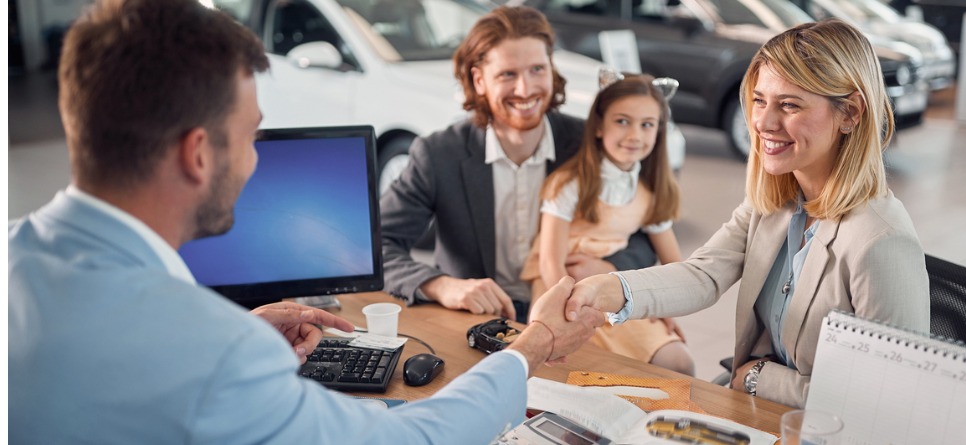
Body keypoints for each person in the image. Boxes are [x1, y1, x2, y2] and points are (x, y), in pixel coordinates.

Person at [8, 1, 604, 443]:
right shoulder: (213, 350)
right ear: (197, 155)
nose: (256, 161)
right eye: (250, 137)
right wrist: (531, 349)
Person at [563, 19, 931, 408]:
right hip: (761, 413)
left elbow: (890, 397)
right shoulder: (776, 203)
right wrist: (606, 289)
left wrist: (760, 379)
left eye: (789, 104)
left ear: (851, 113)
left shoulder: (882, 242)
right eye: (759, 100)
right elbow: (703, 275)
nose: (763, 123)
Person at [380, 6, 656, 323]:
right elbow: (379, 246)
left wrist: (612, 267)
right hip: (477, 321)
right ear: (479, 80)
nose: (525, 89)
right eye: (508, 74)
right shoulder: (438, 154)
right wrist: (441, 285)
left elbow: (645, 231)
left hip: (574, 315)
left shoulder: (589, 144)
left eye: (537, 69)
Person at [520, 74, 694, 375]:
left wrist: (661, 306)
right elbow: (551, 263)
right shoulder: (569, 183)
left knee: (679, 362)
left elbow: (674, 267)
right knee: (583, 372)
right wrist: (571, 310)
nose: (635, 135)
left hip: (613, 292)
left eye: (647, 124)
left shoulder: (651, 193)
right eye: (622, 121)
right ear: (599, 126)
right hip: (562, 289)